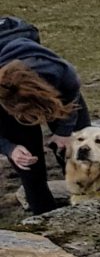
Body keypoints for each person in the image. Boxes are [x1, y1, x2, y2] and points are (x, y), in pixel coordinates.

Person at [0, 16, 91, 215]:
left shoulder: (61, 73)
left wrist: (65, 132)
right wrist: (10, 148)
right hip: (6, 100)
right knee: (28, 163)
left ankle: (92, 206)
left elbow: (71, 98)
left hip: (49, 88)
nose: (33, 119)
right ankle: (44, 220)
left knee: (81, 146)